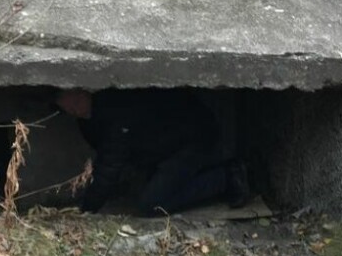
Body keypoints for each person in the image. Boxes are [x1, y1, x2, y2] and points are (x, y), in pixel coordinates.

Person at [55, 88, 250, 215]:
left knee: (151, 205)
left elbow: (110, 165)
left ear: (83, 91)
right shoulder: (89, 119)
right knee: (149, 190)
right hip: (165, 147)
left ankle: (226, 177)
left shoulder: (113, 110)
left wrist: (86, 210)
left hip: (192, 138)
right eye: (67, 107)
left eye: (74, 101)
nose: (73, 109)